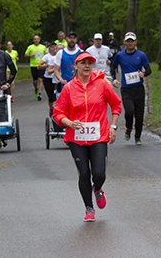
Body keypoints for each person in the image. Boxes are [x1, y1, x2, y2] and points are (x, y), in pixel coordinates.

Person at [53, 52, 123, 222]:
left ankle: (97, 188)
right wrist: (68, 123)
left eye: (90, 63)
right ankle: (89, 208)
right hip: (76, 138)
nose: (87, 66)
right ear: (75, 66)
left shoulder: (102, 85)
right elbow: (57, 112)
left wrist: (113, 126)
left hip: (98, 136)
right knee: (84, 174)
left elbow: (116, 104)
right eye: (83, 63)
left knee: (99, 173)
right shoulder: (69, 88)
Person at [110, 32, 152, 145]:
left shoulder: (141, 55)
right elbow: (113, 67)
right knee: (129, 111)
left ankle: (137, 137)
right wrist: (114, 78)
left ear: (135, 42)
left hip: (138, 88)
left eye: (132, 41)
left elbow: (149, 70)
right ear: (124, 42)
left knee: (139, 115)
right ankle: (128, 128)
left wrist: (143, 74)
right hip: (126, 89)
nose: (130, 43)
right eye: (128, 41)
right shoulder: (120, 55)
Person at [39, 42, 62, 115]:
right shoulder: (47, 56)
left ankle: (59, 110)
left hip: (58, 79)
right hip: (48, 78)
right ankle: (51, 108)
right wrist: (47, 65)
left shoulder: (60, 56)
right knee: (50, 96)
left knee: (58, 95)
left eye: (55, 47)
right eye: (52, 47)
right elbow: (39, 66)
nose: (54, 49)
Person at [24, 34, 47, 100]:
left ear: (39, 40)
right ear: (33, 40)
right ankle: (36, 88)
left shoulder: (43, 47)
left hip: (41, 65)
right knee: (35, 81)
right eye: (35, 39)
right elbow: (25, 55)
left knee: (40, 79)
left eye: (37, 39)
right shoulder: (30, 47)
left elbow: (46, 54)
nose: (36, 40)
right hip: (33, 65)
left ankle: (39, 93)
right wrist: (30, 55)